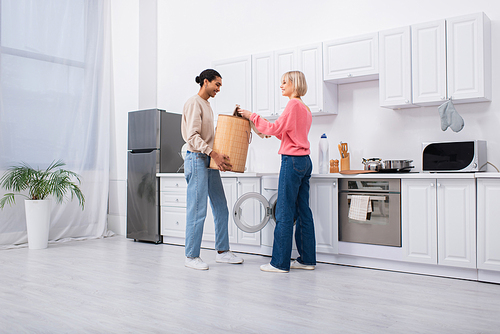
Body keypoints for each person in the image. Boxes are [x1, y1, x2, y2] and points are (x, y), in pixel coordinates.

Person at [239, 71, 316, 273]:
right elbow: (284, 133)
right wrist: (268, 131)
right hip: (305, 161)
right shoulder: (305, 108)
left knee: (284, 211)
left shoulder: (293, 104)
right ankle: (307, 260)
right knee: (303, 211)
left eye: (284, 82)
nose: (281, 86)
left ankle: (279, 263)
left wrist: (252, 116)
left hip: (291, 161)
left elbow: (276, 128)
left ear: (294, 83)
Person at [181, 69, 244, 270]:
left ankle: (222, 252)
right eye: (217, 84)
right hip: (197, 159)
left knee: (220, 207)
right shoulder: (194, 103)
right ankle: (191, 256)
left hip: (208, 160)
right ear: (205, 82)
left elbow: (209, 135)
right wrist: (213, 154)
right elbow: (192, 136)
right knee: (197, 210)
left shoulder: (207, 105)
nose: (218, 89)